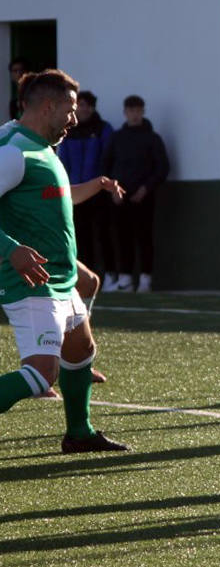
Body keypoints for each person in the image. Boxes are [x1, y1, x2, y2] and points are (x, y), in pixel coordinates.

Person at [0, 69, 129, 452]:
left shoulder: (40, 147)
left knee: (81, 353)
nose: (74, 118)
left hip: (59, 275)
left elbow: (53, 198)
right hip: (31, 280)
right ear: (49, 106)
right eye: (70, 110)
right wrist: (11, 249)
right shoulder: (13, 151)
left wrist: (96, 186)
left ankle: (79, 433)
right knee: (42, 376)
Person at [103, 95, 169, 292]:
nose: (134, 114)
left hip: (144, 197)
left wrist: (146, 188)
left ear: (143, 111)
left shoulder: (153, 138)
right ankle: (125, 279)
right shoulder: (116, 138)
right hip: (119, 197)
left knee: (144, 237)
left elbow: (162, 168)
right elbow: (106, 165)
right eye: (130, 110)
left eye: (138, 110)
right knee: (122, 237)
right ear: (125, 113)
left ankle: (146, 279)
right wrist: (113, 189)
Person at [58, 91, 116, 286]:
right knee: (81, 236)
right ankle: (84, 276)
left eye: (88, 105)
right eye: (81, 105)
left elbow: (108, 158)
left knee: (103, 234)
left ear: (93, 108)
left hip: (98, 193)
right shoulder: (67, 131)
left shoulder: (103, 129)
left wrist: (100, 183)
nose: (84, 109)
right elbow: (62, 161)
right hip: (75, 193)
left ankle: (110, 275)